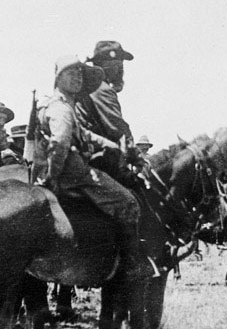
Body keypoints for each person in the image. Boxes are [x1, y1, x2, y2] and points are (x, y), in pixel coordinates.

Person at [38, 55, 151, 281]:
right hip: (75, 174)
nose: (78, 77)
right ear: (58, 78)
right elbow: (59, 142)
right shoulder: (61, 108)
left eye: (80, 73)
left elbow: (84, 135)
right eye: (71, 73)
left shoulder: (67, 105)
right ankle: (131, 265)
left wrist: (112, 147)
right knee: (128, 201)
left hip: (71, 168)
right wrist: (53, 176)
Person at [79, 40, 137, 180]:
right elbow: (117, 129)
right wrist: (136, 155)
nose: (122, 68)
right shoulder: (102, 88)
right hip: (92, 160)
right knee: (130, 200)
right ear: (109, 64)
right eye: (120, 62)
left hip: (83, 153)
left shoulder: (87, 85)